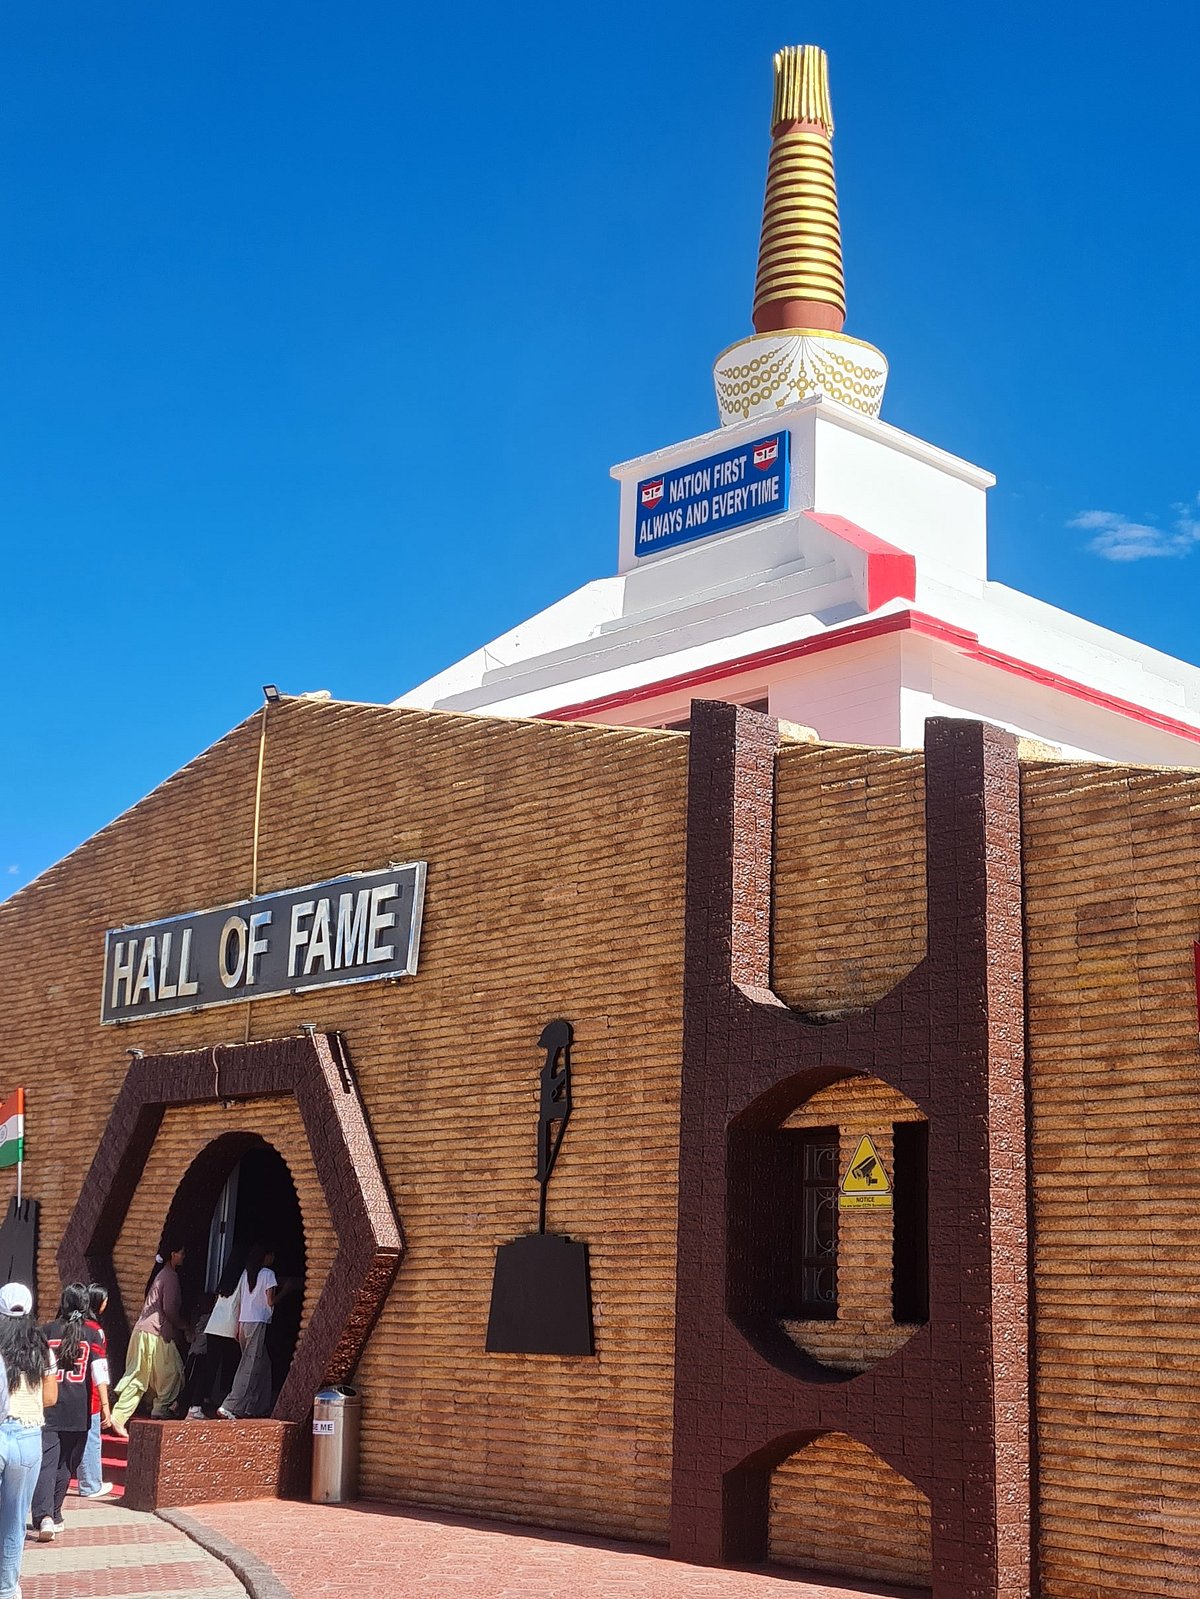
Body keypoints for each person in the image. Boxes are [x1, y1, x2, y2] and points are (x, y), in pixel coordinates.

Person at [33, 1282, 106, 1541]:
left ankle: (44, 1517)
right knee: (66, 1464)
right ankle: (54, 1513)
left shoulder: (45, 1331)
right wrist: (106, 1407)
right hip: (80, 1410)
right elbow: (100, 1373)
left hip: (48, 1407)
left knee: (47, 1462)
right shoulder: (92, 1334)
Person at [0, 1282, 51, 1597]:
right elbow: (51, 1395)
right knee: (14, 1522)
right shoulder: (41, 1346)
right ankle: (6, 1589)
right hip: (29, 1434)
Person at [110, 1243, 186, 1436]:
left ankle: (159, 1408)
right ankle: (119, 1417)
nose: (184, 1256)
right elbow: (169, 1309)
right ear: (173, 1253)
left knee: (167, 1372)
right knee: (143, 1375)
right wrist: (183, 1326)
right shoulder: (170, 1276)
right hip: (153, 1333)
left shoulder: (162, 1275)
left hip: (150, 1333)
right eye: (182, 1252)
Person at [218, 1245, 276, 1420]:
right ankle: (231, 1405)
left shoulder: (246, 1274)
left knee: (263, 1364)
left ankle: (258, 1405)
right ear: (266, 1256)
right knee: (249, 1366)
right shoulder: (268, 1274)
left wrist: (237, 1326)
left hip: (244, 1322)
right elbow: (270, 1301)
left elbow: (241, 1302)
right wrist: (286, 1291)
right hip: (258, 1321)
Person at [183, 1259, 241, 1420]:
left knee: (209, 1368)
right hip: (228, 1329)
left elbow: (216, 1302)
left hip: (214, 1326)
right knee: (231, 1367)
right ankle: (228, 1405)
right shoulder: (243, 1276)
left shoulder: (226, 1279)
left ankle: (194, 1406)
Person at [75, 1285, 113, 1499]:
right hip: (91, 1394)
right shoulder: (95, 1331)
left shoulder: (73, 1327)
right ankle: (90, 1483)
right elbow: (99, 1368)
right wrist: (106, 1405)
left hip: (70, 1392)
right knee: (91, 1438)